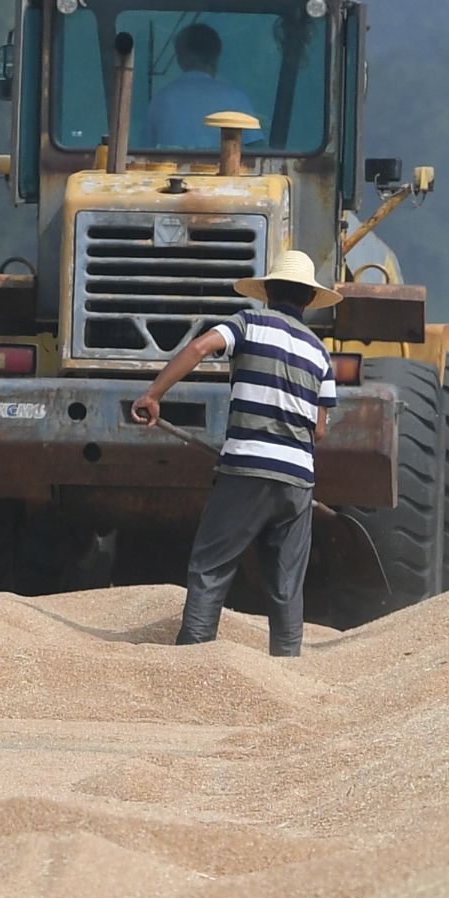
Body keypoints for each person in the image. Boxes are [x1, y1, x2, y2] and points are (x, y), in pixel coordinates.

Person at [125, 246, 334, 655]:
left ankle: (192, 663)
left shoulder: (248, 323)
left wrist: (153, 394)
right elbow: (321, 428)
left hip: (246, 470)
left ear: (267, 291)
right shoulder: (319, 352)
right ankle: (286, 672)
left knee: (212, 568)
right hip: (297, 481)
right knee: (287, 585)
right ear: (309, 300)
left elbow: (201, 348)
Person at [142, 20, 258, 151]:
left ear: (180, 59)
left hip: (166, 171)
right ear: (217, 56)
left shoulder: (160, 99)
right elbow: (257, 150)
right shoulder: (235, 98)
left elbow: (146, 151)